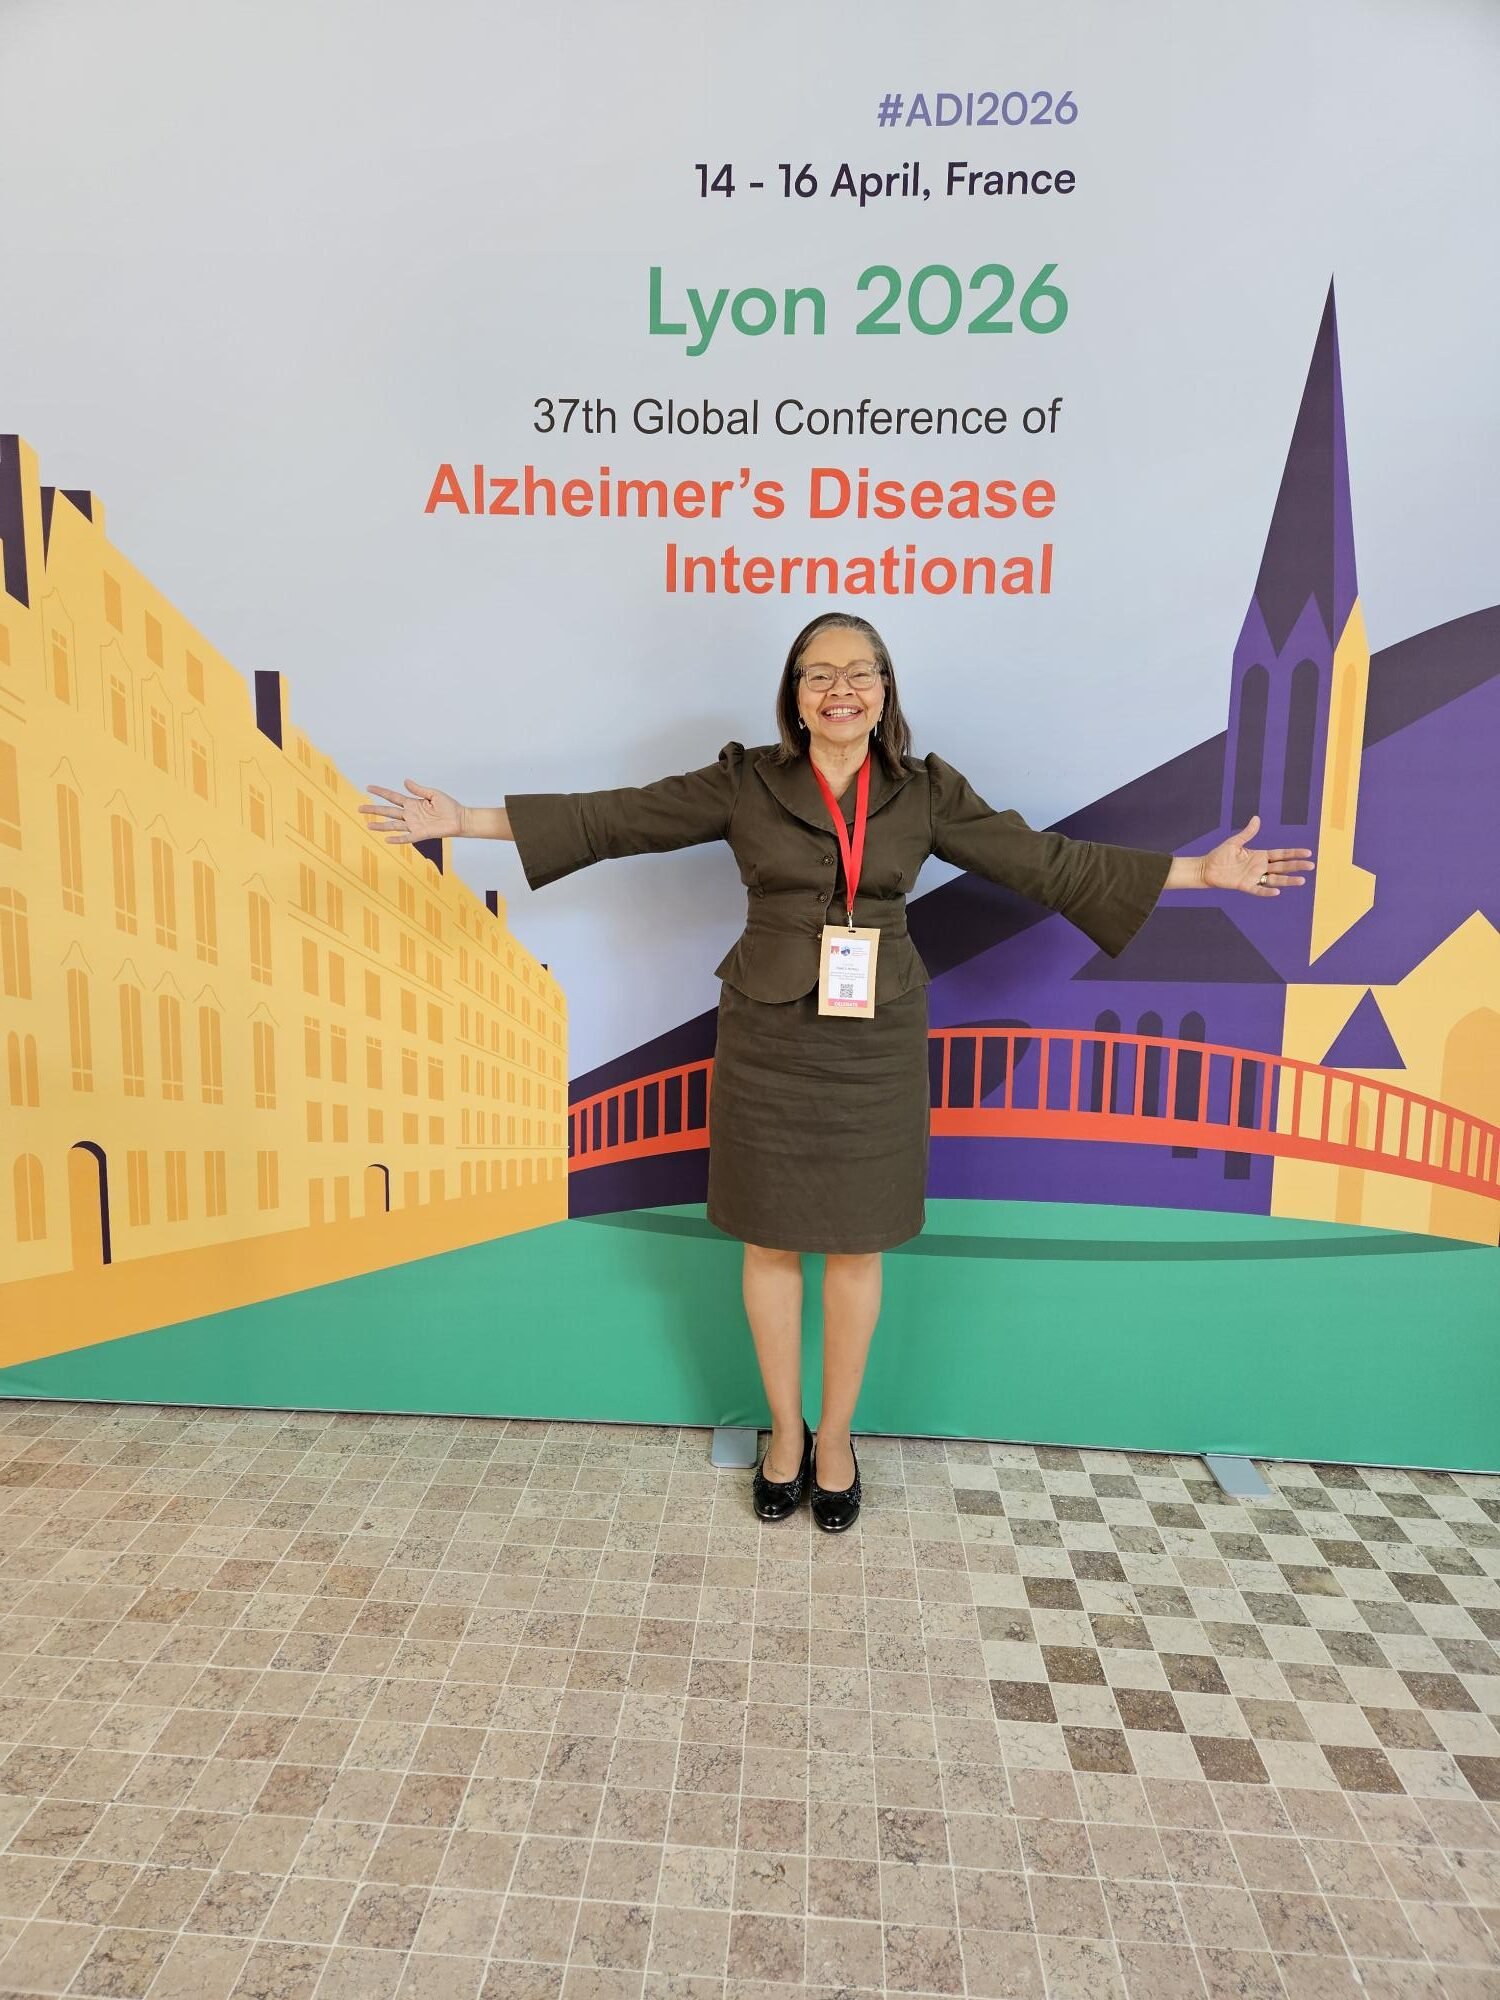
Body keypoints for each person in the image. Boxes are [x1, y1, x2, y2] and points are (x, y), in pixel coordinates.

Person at [362, 612, 1313, 1532]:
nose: (840, 689)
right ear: (795, 693)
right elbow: (620, 818)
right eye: (819, 674)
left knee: (859, 1244)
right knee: (769, 1241)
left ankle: (838, 1438)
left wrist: (1201, 874)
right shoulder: (746, 782)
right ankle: (784, 1434)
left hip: (877, 1039)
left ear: (885, 691)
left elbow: (1042, 862)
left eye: (860, 672)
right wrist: (466, 819)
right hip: (768, 1035)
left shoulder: (925, 791)